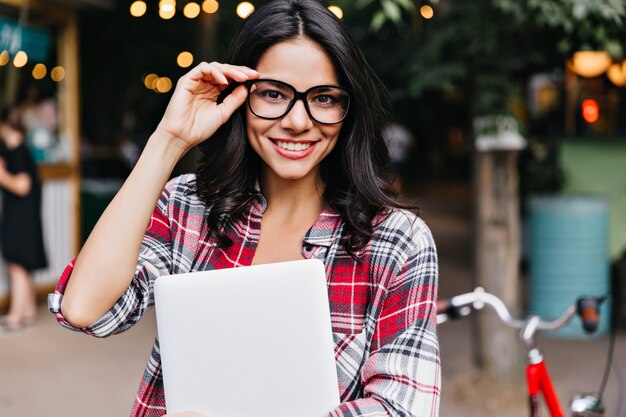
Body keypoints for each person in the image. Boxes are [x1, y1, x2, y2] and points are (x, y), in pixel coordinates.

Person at [48, 1, 440, 416]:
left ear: (349, 110)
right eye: (274, 94)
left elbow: (403, 409)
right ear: (238, 97)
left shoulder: (397, 241)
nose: (297, 121)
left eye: (324, 98)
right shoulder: (190, 208)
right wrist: (169, 140)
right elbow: (85, 309)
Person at [0, 113, 47, 332]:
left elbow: (22, 186)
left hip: (20, 216)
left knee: (17, 264)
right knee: (22, 265)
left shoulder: (17, 150)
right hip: (22, 214)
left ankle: (16, 315)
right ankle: (26, 311)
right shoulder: (20, 150)